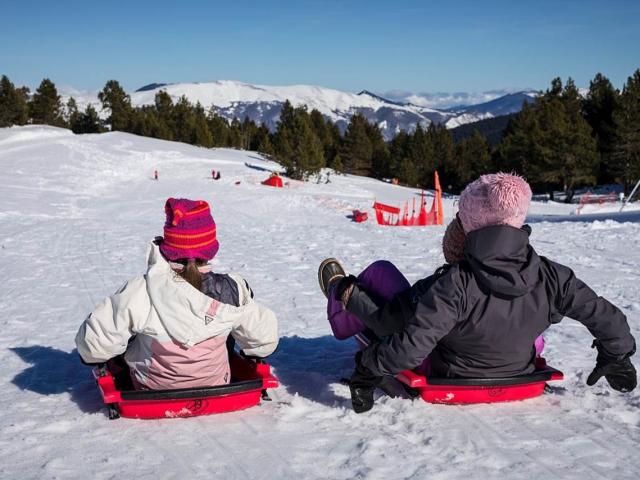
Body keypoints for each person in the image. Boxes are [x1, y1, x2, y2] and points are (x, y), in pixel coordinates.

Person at [319, 173, 636, 413]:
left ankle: (341, 297)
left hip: (453, 376)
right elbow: (603, 314)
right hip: (519, 373)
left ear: (468, 224)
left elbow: (413, 346)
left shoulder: (455, 282)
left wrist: (368, 368)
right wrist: (617, 353)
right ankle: (345, 296)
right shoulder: (552, 275)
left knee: (383, 275)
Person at [76, 198, 279, 390]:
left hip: (151, 389)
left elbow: (94, 346)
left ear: (169, 247)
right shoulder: (233, 289)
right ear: (210, 250)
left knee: (126, 337)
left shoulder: (141, 290)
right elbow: (264, 341)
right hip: (218, 383)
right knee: (227, 331)